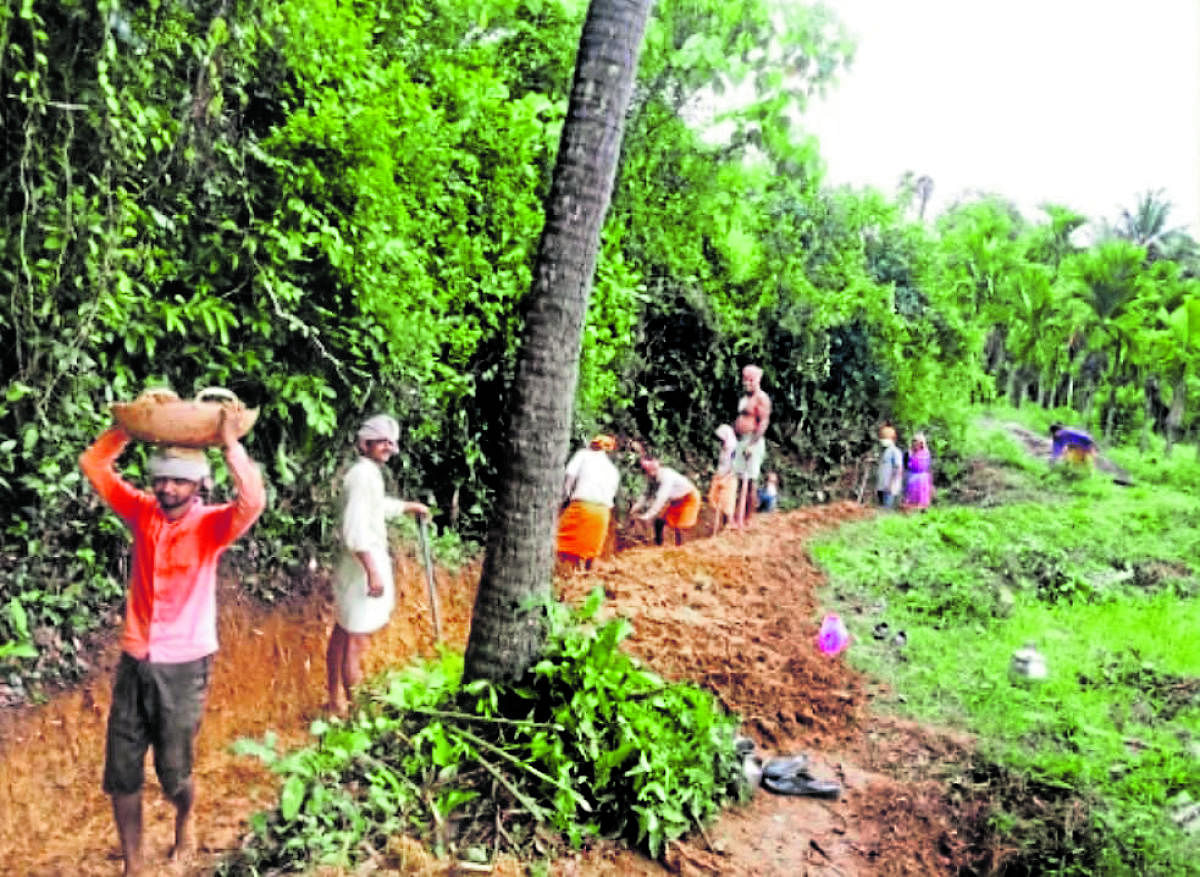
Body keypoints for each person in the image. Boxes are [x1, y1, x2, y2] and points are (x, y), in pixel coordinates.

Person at [79, 411, 266, 876]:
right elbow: (94, 466)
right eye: (161, 480)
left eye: (178, 483)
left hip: (185, 666)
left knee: (173, 772)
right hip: (135, 657)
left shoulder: (212, 526)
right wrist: (129, 428)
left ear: (198, 486)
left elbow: (253, 501)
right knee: (121, 770)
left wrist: (230, 446)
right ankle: (134, 865)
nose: (166, 489)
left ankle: (186, 817)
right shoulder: (142, 512)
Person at [326, 415, 430, 716]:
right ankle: (358, 715)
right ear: (366, 443)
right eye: (382, 441)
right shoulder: (362, 476)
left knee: (344, 632)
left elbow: (373, 508)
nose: (388, 447)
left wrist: (406, 507)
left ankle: (336, 703)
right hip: (360, 567)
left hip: (355, 567)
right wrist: (372, 570)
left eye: (390, 442)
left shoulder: (367, 474)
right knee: (355, 640)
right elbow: (355, 530)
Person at [557, 434, 620, 570]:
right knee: (589, 553)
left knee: (562, 545)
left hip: (583, 508)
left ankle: (568, 576)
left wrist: (565, 494)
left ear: (592, 445)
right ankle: (585, 579)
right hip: (602, 514)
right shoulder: (613, 470)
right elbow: (613, 493)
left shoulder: (583, 455)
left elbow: (570, 474)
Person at [631, 455, 701, 546]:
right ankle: (658, 545)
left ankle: (681, 549)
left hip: (688, 498)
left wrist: (648, 515)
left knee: (681, 527)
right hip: (676, 501)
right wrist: (635, 508)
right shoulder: (652, 478)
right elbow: (646, 494)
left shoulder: (666, 476)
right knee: (659, 522)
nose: (647, 473)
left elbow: (661, 498)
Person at [732, 364, 772, 527]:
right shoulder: (744, 399)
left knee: (751, 480)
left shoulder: (761, 398)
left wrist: (752, 443)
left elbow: (763, 422)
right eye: (745, 379)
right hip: (740, 441)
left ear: (758, 380)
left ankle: (747, 518)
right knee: (739, 479)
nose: (747, 382)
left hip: (752, 441)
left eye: (750, 379)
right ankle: (736, 516)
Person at [707, 424, 739, 536]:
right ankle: (721, 525)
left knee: (727, 502)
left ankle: (729, 524)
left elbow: (735, 466)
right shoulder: (725, 447)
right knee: (714, 499)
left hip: (729, 477)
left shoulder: (733, 448)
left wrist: (726, 478)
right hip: (720, 474)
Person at [904, 432, 933, 510]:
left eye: (916, 442)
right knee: (912, 497)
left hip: (923, 478)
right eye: (913, 442)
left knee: (922, 497)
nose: (914, 444)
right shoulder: (910, 453)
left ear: (921, 443)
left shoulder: (926, 453)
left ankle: (922, 511)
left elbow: (927, 466)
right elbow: (907, 465)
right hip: (913, 477)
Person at [876, 425, 903, 509]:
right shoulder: (885, 451)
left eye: (885, 438)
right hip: (882, 485)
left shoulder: (895, 452)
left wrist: (891, 484)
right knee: (881, 506)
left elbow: (898, 468)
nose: (883, 440)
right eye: (882, 437)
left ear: (893, 439)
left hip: (889, 486)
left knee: (886, 508)